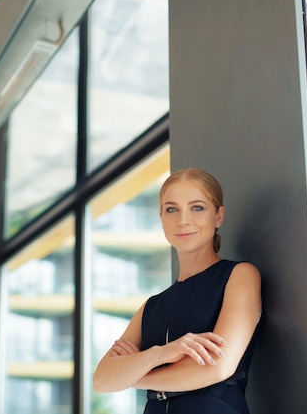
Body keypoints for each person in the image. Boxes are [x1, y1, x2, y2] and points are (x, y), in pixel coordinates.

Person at [93, 167, 262, 414]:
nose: (183, 220)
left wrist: (133, 377)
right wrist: (162, 354)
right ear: (161, 217)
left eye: (197, 207)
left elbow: (217, 368)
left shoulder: (239, 276)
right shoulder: (151, 307)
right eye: (172, 209)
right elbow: (102, 379)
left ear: (218, 216)